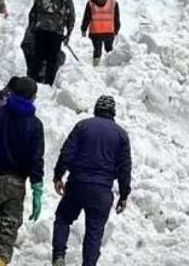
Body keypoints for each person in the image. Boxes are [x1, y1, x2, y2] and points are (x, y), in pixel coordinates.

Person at [52, 96, 132, 266]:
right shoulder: (121, 135)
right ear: (113, 113)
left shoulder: (83, 126)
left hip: (77, 185)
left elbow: (67, 152)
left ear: (96, 109)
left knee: (63, 218)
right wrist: (124, 195)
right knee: (94, 233)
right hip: (102, 191)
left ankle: (59, 256)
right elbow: (125, 168)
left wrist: (58, 176)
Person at [0, 77, 45, 266]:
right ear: (33, 98)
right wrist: (37, 188)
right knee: (7, 236)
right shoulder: (35, 125)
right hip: (15, 186)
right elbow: (36, 159)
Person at [31, 0, 76, 86]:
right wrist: (68, 33)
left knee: (38, 56)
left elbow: (33, 12)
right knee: (52, 59)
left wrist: (33, 27)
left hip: (40, 30)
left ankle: (33, 80)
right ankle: (48, 82)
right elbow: (71, 16)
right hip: (56, 32)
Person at [81, 0, 121, 66]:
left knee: (97, 50)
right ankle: (110, 68)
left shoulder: (90, 2)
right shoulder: (113, 2)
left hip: (95, 33)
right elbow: (116, 19)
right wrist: (116, 30)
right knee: (109, 50)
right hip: (109, 32)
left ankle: (95, 65)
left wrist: (83, 29)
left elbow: (86, 18)